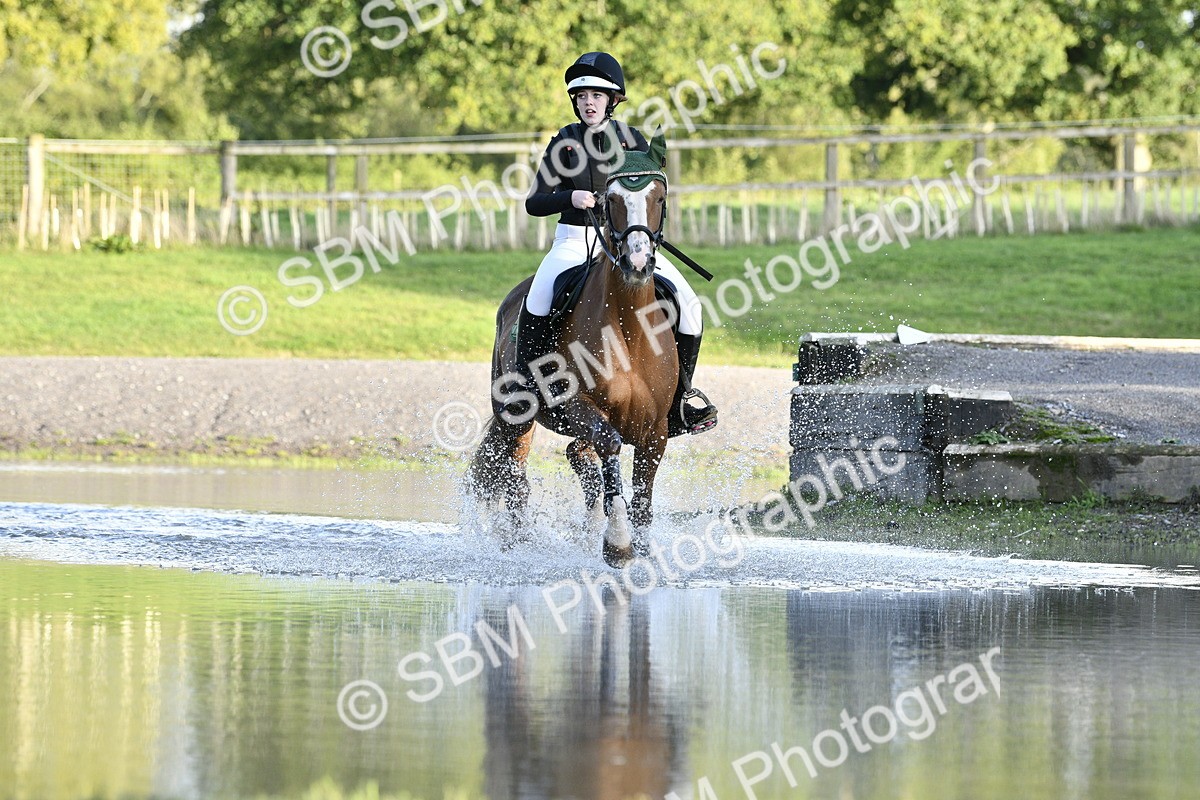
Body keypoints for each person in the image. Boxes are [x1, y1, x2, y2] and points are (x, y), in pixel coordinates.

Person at [514, 51, 718, 437]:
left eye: (596, 95)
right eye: (581, 96)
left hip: (630, 243)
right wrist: (569, 198)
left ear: (612, 100)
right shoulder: (564, 143)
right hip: (575, 240)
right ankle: (528, 388)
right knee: (538, 298)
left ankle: (681, 399)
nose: (588, 102)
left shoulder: (632, 140)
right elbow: (534, 201)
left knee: (689, 306)